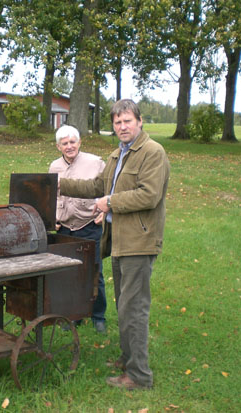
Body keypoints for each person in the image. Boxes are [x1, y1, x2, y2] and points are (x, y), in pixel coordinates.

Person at [59, 99, 170, 390]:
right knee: (124, 305)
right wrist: (60, 184)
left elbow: (149, 195)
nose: (122, 126)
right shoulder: (117, 154)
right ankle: (127, 358)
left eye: (127, 121)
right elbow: (97, 186)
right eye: (117, 122)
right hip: (119, 241)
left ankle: (139, 376)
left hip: (139, 241)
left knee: (134, 308)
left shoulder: (152, 152)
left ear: (140, 121)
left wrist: (109, 202)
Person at [49, 125, 108, 333]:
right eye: (64, 143)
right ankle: (73, 315)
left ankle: (98, 316)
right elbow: (51, 196)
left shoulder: (95, 163)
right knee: (69, 273)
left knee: (94, 272)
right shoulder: (54, 167)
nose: (69, 146)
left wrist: (105, 212)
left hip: (89, 225)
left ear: (80, 142)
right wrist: (53, 218)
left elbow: (108, 190)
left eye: (72, 142)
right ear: (58, 147)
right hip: (65, 228)